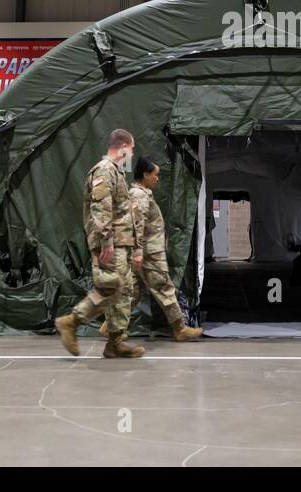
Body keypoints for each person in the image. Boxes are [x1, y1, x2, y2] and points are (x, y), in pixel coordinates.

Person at [54, 129, 144, 359]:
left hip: (120, 244)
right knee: (110, 287)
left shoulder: (116, 172)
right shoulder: (104, 170)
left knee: (122, 292)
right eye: (131, 150)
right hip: (110, 244)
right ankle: (71, 322)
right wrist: (106, 242)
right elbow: (100, 208)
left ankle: (116, 343)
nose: (132, 155)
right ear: (123, 147)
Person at [97, 157, 204, 342]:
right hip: (149, 254)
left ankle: (111, 327)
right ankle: (180, 328)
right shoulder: (139, 196)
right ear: (145, 174)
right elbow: (136, 225)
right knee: (164, 287)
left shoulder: (142, 194)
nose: (157, 179)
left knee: (133, 292)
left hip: (145, 253)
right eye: (155, 175)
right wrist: (138, 253)